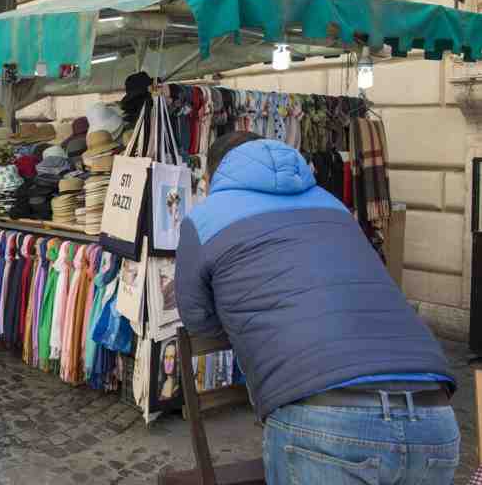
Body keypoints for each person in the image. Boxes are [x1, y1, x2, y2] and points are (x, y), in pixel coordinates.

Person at [175, 132, 459, 484]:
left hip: (326, 418)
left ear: (210, 177)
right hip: (435, 415)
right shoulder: (332, 204)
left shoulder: (204, 217)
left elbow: (198, 319)